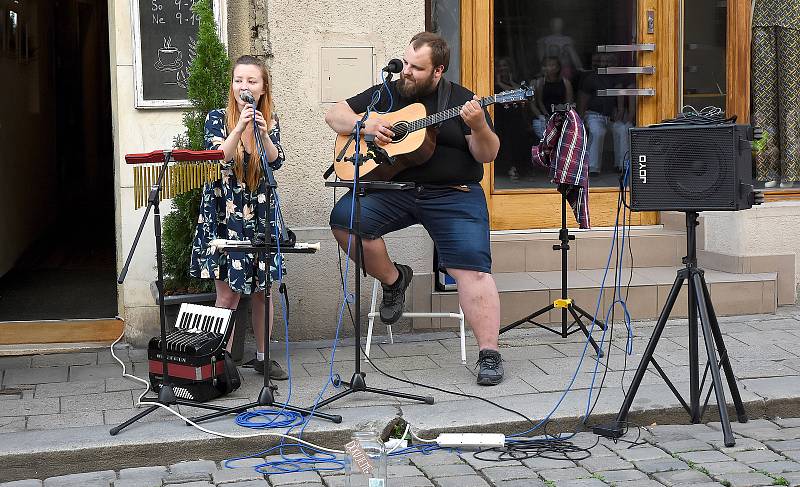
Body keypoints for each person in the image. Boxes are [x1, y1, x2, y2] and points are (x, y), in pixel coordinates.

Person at [325, 32, 505, 385]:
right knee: (344, 219)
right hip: (396, 188)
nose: (405, 71)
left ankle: (490, 353)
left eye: (416, 67)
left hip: (453, 194)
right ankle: (395, 280)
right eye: (405, 62)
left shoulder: (461, 99)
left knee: (472, 268)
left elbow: (487, 154)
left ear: (438, 71)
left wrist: (479, 125)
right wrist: (368, 124)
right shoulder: (388, 91)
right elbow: (336, 115)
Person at [189, 55, 288, 380]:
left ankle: (262, 356)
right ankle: (221, 360)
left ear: (263, 88)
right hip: (224, 213)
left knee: (263, 290)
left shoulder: (271, 120)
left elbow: (275, 163)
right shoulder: (217, 118)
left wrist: (263, 133)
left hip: (260, 213)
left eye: (251, 81)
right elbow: (220, 158)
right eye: (239, 80)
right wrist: (241, 126)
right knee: (227, 294)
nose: (243, 86)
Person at [494, 56, 531, 182]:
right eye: (500, 66)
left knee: (518, 141)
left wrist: (505, 82)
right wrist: (499, 83)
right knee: (506, 142)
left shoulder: (516, 81)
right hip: (500, 117)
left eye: (505, 66)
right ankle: (509, 169)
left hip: (516, 117)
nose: (503, 68)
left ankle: (520, 169)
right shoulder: (492, 82)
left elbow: (519, 94)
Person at [532, 56, 575, 142]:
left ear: (558, 67)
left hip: (561, 115)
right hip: (544, 116)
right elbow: (539, 102)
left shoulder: (565, 82)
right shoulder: (540, 82)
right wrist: (545, 116)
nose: (549, 68)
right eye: (547, 65)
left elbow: (569, 102)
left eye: (552, 65)